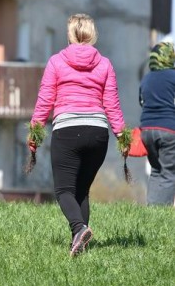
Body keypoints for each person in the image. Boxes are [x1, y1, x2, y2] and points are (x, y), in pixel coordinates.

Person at [29, 13, 128, 257]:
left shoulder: (56, 61)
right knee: (81, 190)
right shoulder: (105, 64)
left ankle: (79, 228)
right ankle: (79, 246)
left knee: (64, 191)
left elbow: (45, 101)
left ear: (70, 34)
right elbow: (112, 104)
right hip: (98, 133)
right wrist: (122, 136)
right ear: (93, 34)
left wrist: (35, 133)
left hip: (67, 130)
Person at [139, 41, 175, 205]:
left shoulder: (146, 79)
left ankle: (152, 210)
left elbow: (141, 102)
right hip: (169, 130)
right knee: (169, 173)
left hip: (147, 131)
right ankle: (163, 212)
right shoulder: (173, 76)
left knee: (156, 170)